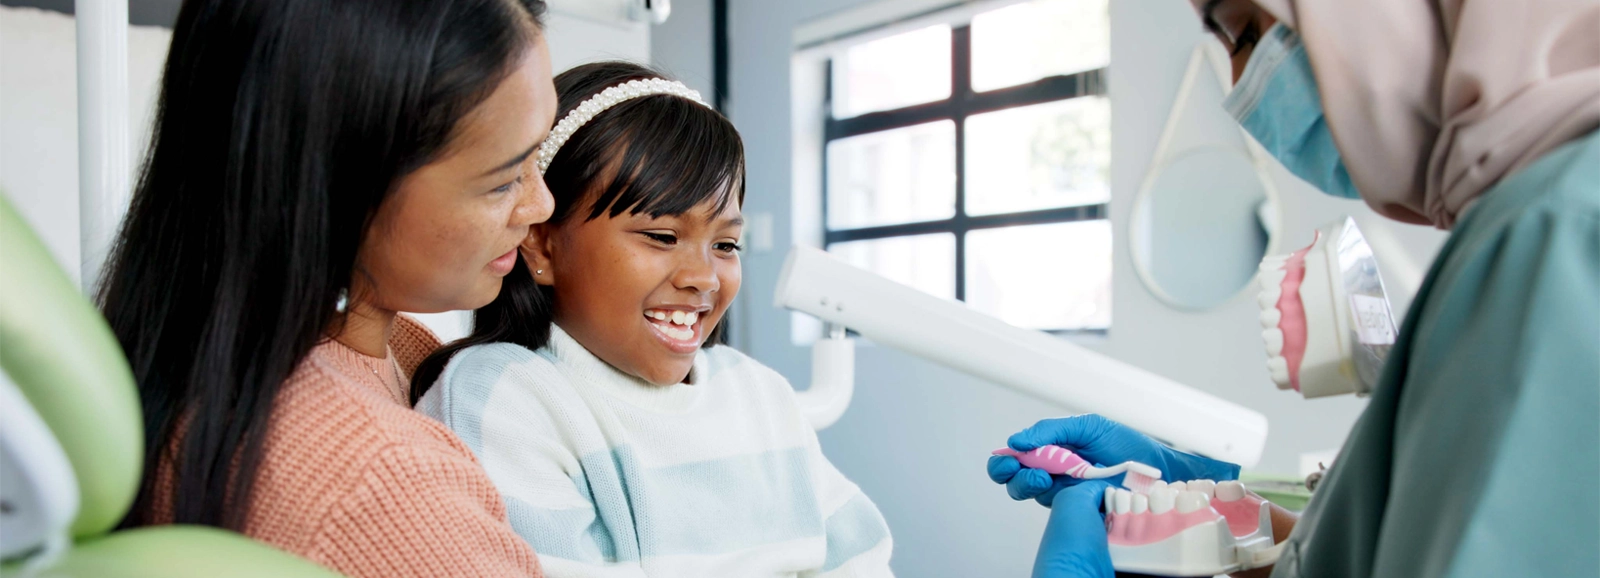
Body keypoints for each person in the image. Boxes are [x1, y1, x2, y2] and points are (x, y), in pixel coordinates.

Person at [989, 0, 1599, 576]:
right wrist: (1218, 515)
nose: (1238, 85)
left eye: (1245, 34)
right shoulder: (1538, 216)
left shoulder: (1551, 230)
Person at [99, 0, 559, 575]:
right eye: (503, 180)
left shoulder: (207, 353)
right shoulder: (380, 484)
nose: (541, 203)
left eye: (539, 154)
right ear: (339, 190)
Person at [411, 62, 896, 577]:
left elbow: (860, 560)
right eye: (662, 237)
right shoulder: (503, 397)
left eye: (726, 244)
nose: (704, 278)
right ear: (542, 243)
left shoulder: (760, 395)